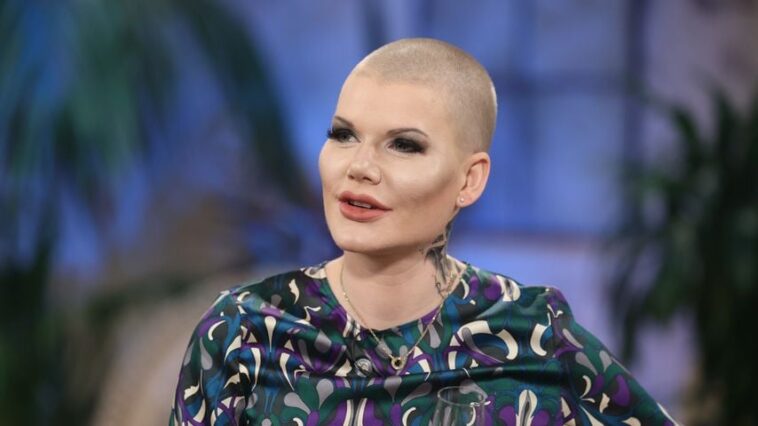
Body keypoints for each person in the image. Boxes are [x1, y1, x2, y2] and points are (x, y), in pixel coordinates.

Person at [170, 38, 678, 425]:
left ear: (469, 180)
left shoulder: (534, 333)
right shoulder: (243, 330)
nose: (359, 167)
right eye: (343, 135)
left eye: (404, 145)